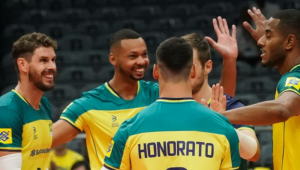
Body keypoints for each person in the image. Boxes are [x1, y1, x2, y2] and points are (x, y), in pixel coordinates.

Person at [52, 27, 238, 170]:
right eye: (133, 56)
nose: (141, 61)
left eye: (144, 55)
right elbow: (43, 141)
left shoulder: (161, 94)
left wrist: (229, 61)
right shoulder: (89, 105)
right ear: (113, 59)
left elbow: (218, 101)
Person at [101, 37, 240, 170]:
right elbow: (253, 152)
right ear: (192, 71)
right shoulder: (223, 129)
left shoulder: (129, 128)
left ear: (156, 71)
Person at [220, 8, 300, 170]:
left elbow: (282, 109)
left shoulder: (296, 76)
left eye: (269, 36)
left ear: (289, 42)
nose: (260, 42)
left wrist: (219, 117)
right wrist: (272, 41)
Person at [181, 28, 260, 169]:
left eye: (190, 66)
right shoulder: (170, 106)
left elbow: (253, 153)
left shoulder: (231, 106)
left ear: (208, 67)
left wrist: (219, 123)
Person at [0, 32, 57, 170]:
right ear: (23, 65)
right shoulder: (6, 109)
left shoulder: (44, 104)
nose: (52, 67)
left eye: (53, 60)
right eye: (44, 60)